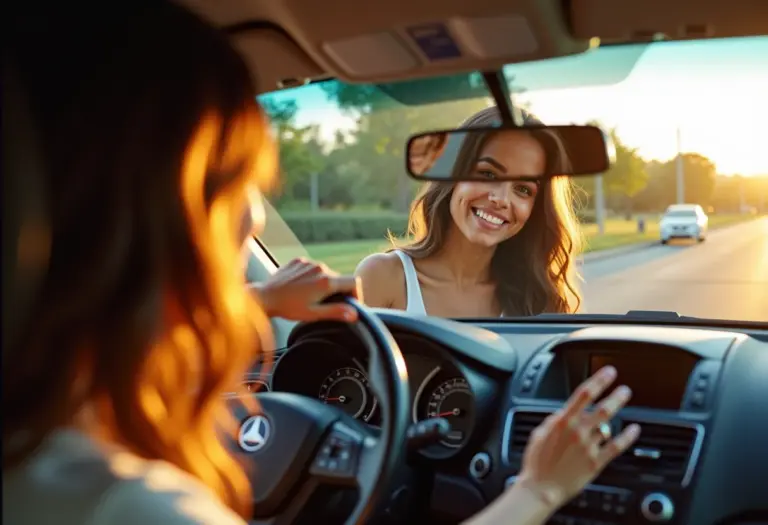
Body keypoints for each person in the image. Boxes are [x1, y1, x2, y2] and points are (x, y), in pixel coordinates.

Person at [2, 3, 639, 525]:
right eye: (229, 186)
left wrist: (254, 302)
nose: (255, 217)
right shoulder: (127, 505)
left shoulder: (42, 447)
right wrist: (539, 489)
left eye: (525, 189)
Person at [357, 107, 583, 317]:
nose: (501, 199)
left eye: (523, 189)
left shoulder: (539, 299)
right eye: (488, 174)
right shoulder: (382, 276)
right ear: (452, 175)